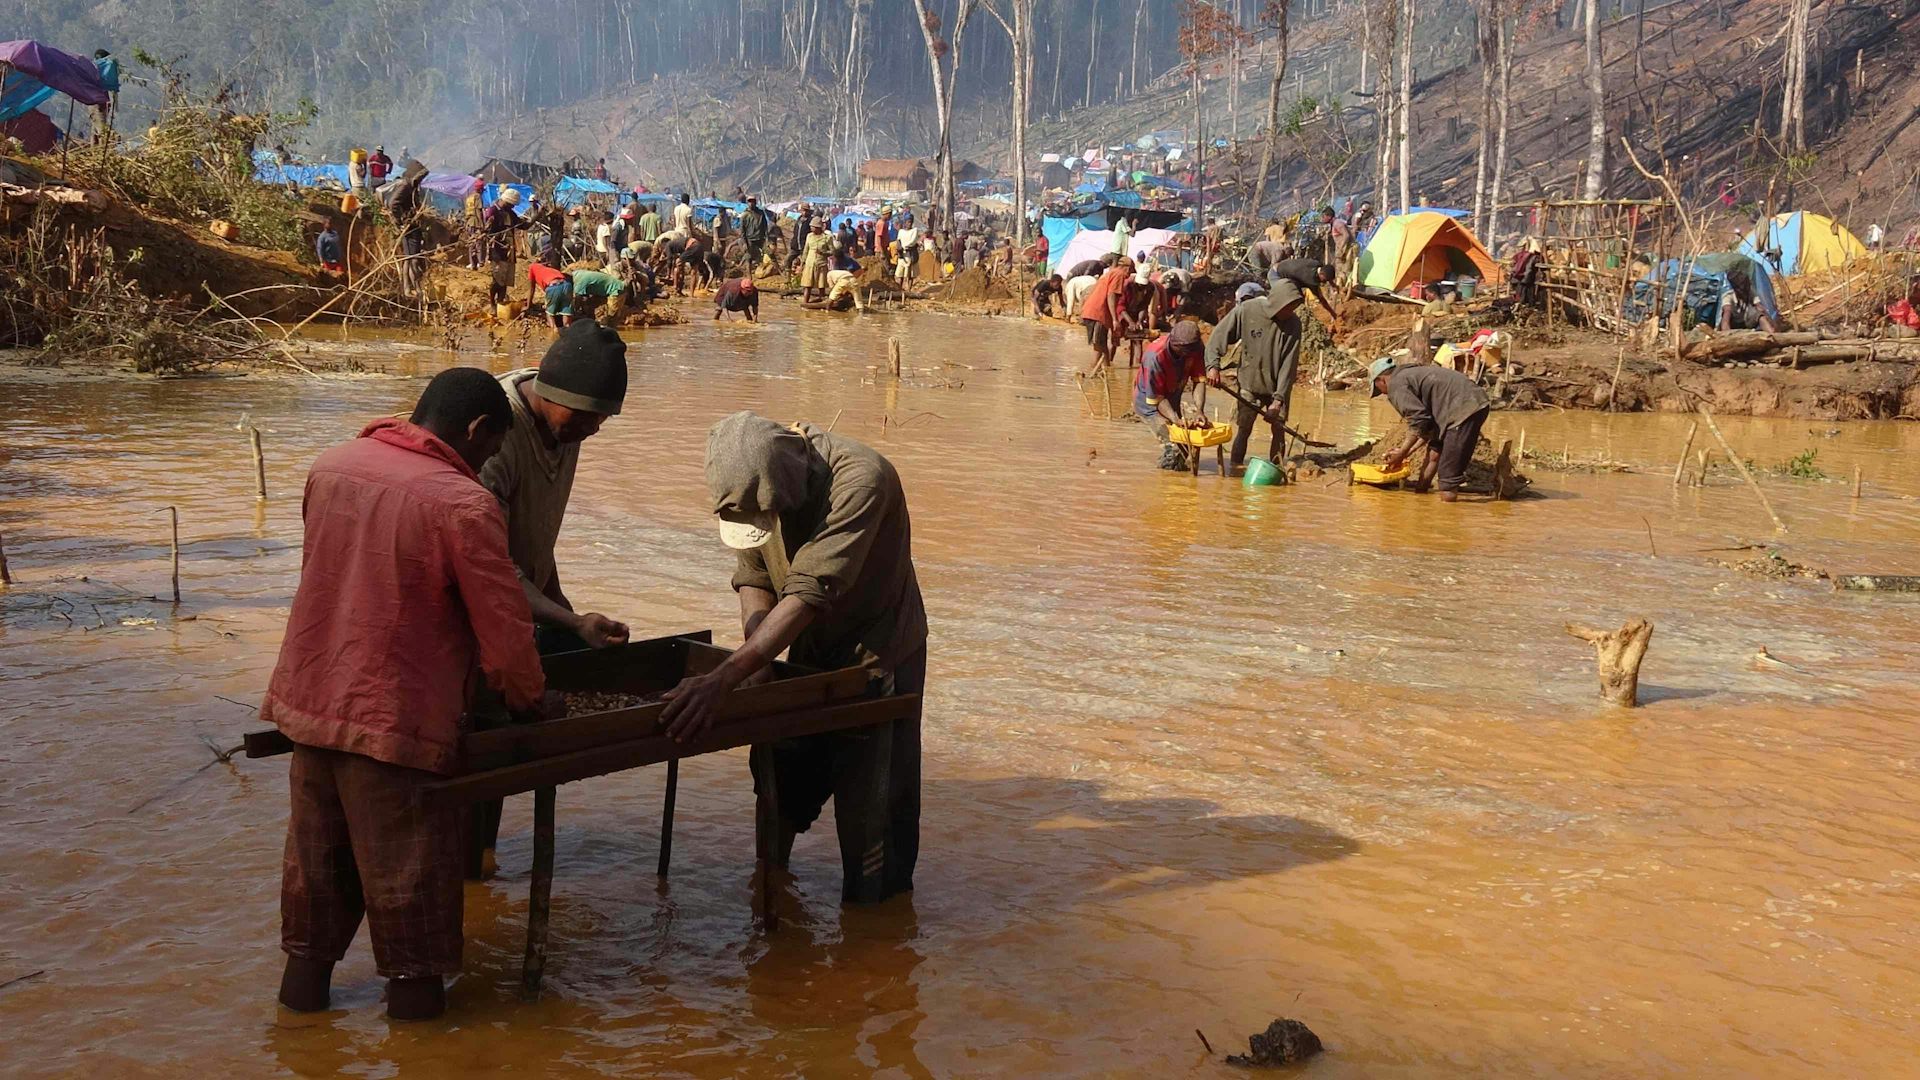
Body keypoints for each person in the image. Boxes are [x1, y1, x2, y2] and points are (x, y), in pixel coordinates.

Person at [268, 367, 548, 1022]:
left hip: (309, 705)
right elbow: (505, 637)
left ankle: (299, 1041)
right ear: (479, 432)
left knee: (315, 898)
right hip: (396, 723)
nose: (483, 465)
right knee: (412, 920)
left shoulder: (333, 466)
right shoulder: (462, 503)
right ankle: (424, 1053)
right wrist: (531, 701)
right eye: (488, 451)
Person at [663, 411, 927, 904]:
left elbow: (809, 591)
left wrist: (725, 677)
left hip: (877, 654)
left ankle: (875, 939)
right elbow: (756, 576)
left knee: (870, 811)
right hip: (805, 644)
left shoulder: (861, 480)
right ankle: (771, 893)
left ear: (793, 488)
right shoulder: (755, 483)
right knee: (779, 778)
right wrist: (755, 653)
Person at [1205, 278, 1306, 472]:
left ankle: (1275, 470)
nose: (1290, 312)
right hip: (1249, 383)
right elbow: (1219, 336)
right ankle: (1235, 467)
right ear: (1278, 302)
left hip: (1277, 386)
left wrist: (1278, 400)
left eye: (1293, 307)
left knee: (1279, 429)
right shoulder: (1248, 310)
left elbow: (1289, 365)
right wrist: (1213, 366)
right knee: (1244, 428)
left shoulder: (1293, 324)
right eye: (1288, 307)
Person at [1369, 357, 1492, 502]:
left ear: (1381, 380)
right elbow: (1426, 426)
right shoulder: (1409, 375)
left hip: (1463, 408)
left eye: (1379, 389)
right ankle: (1421, 491)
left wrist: (1401, 453)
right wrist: (1407, 452)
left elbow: (1418, 419)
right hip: (1465, 404)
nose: (1383, 393)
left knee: (1447, 480)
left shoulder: (1396, 385)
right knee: (1435, 452)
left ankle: (1447, 514)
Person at [1135, 321, 1209, 470]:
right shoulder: (1155, 357)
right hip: (1150, 404)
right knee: (1174, 447)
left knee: (1185, 446)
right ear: (1177, 346)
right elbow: (1158, 399)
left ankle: (1175, 478)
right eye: (1188, 352)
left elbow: (1199, 380)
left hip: (1173, 395)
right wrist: (1175, 419)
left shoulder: (1196, 348)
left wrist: (1199, 410)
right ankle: (1165, 483)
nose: (1191, 355)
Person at [1080, 256, 1134, 376]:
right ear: (1126, 268)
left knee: (1100, 344)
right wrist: (1115, 319)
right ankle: (1096, 373)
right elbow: (1111, 295)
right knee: (1100, 345)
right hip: (1098, 312)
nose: (1129, 275)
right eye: (1130, 271)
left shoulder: (1111, 273)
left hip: (1094, 312)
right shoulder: (1119, 275)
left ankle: (1103, 371)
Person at [482, 189, 531, 307]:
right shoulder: (492, 211)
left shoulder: (509, 212)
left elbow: (524, 226)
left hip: (509, 251)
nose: (513, 206)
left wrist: (538, 214)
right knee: (497, 280)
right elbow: (486, 232)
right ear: (507, 201)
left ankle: (500, 302)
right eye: (512, 204)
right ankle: (493, 303)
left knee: (505, 281)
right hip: (498, 251)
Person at [1266, 257, 1341, 330]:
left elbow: (1326, 273)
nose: (1324, 282)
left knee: (1298, 300)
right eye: (1324, 280)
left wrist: (1333, 285)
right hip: (1277, 275)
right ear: (1321, 273)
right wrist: (1332, 313)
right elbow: (1321, 299)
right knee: (1288, 301)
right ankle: (1277, 324)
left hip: (1286, 271)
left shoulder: (1317, 264)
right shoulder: (1310, 279)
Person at [528, 261, 572, 328]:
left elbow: (531, 289)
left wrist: (528, 305)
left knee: (549, 314)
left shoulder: (532, 268)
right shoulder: (549, 270)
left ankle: (554, 332)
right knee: (566, 313)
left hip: (553, 286)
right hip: (567, 285)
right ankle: (568, 330)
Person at [800, 218, 833, 302]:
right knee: (807, 285)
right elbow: (806, 250)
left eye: (813, 227)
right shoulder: (809, 236)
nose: (811, 228)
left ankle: (821, 302)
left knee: (821, 286)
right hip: (810, 264)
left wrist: (823, 252)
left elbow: (832, 251)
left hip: (821, 264)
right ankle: (805, 303)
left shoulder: (827, 238)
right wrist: (802, 263)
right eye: (811, 227)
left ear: (818, 228)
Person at [741, 196, 770, 273]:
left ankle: (779, 272)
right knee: (748, 257)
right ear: (747, 203)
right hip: (750, 239)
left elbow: (765, 226)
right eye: (750, 201)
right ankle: (749, 275)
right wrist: (744, 243)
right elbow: (742, 231)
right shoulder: (745, 215)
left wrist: (767, 238)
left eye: (753, 201)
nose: (751, 203)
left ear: (755, 202)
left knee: (770, 253)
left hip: (761, 238)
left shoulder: (760, 213)